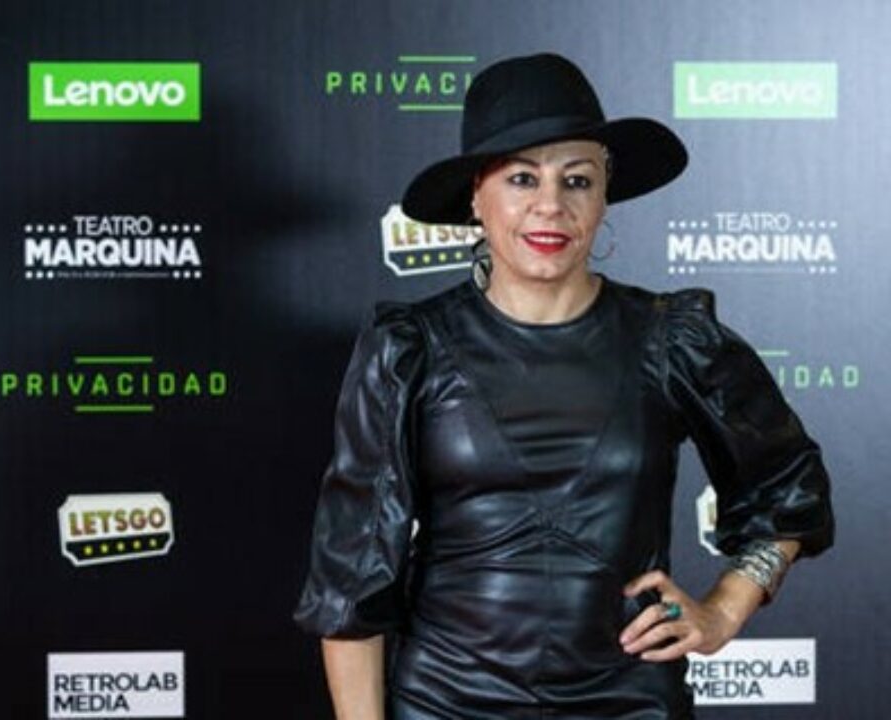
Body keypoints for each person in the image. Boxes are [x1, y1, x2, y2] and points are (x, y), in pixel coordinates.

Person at [295, 53, 834, 719]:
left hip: (629, 700)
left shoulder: (673, 340)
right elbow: (351, 582)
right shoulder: (410, 349)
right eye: (522, 178)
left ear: (604, 197)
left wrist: (724, 610)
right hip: (446, 702)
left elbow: (789, 486)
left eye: (577, 180)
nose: (550, 205)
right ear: (476, 196)